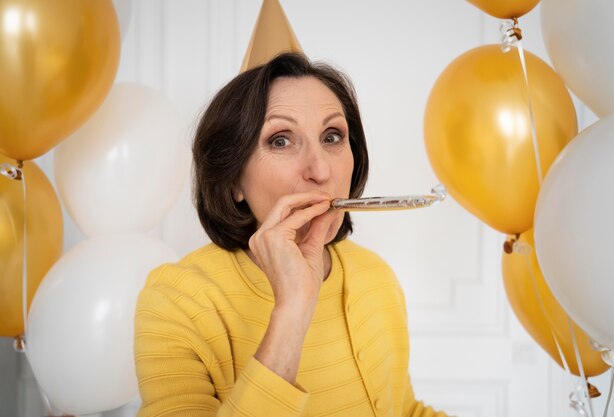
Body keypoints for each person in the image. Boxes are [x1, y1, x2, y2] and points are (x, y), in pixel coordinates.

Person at [134, 52, 450, 417]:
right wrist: (293, 308)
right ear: (234, 179)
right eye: (281, 140)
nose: (320, 170)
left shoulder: (375, 275)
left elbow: (404, 410)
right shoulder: (174, 301)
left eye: (332, 136)